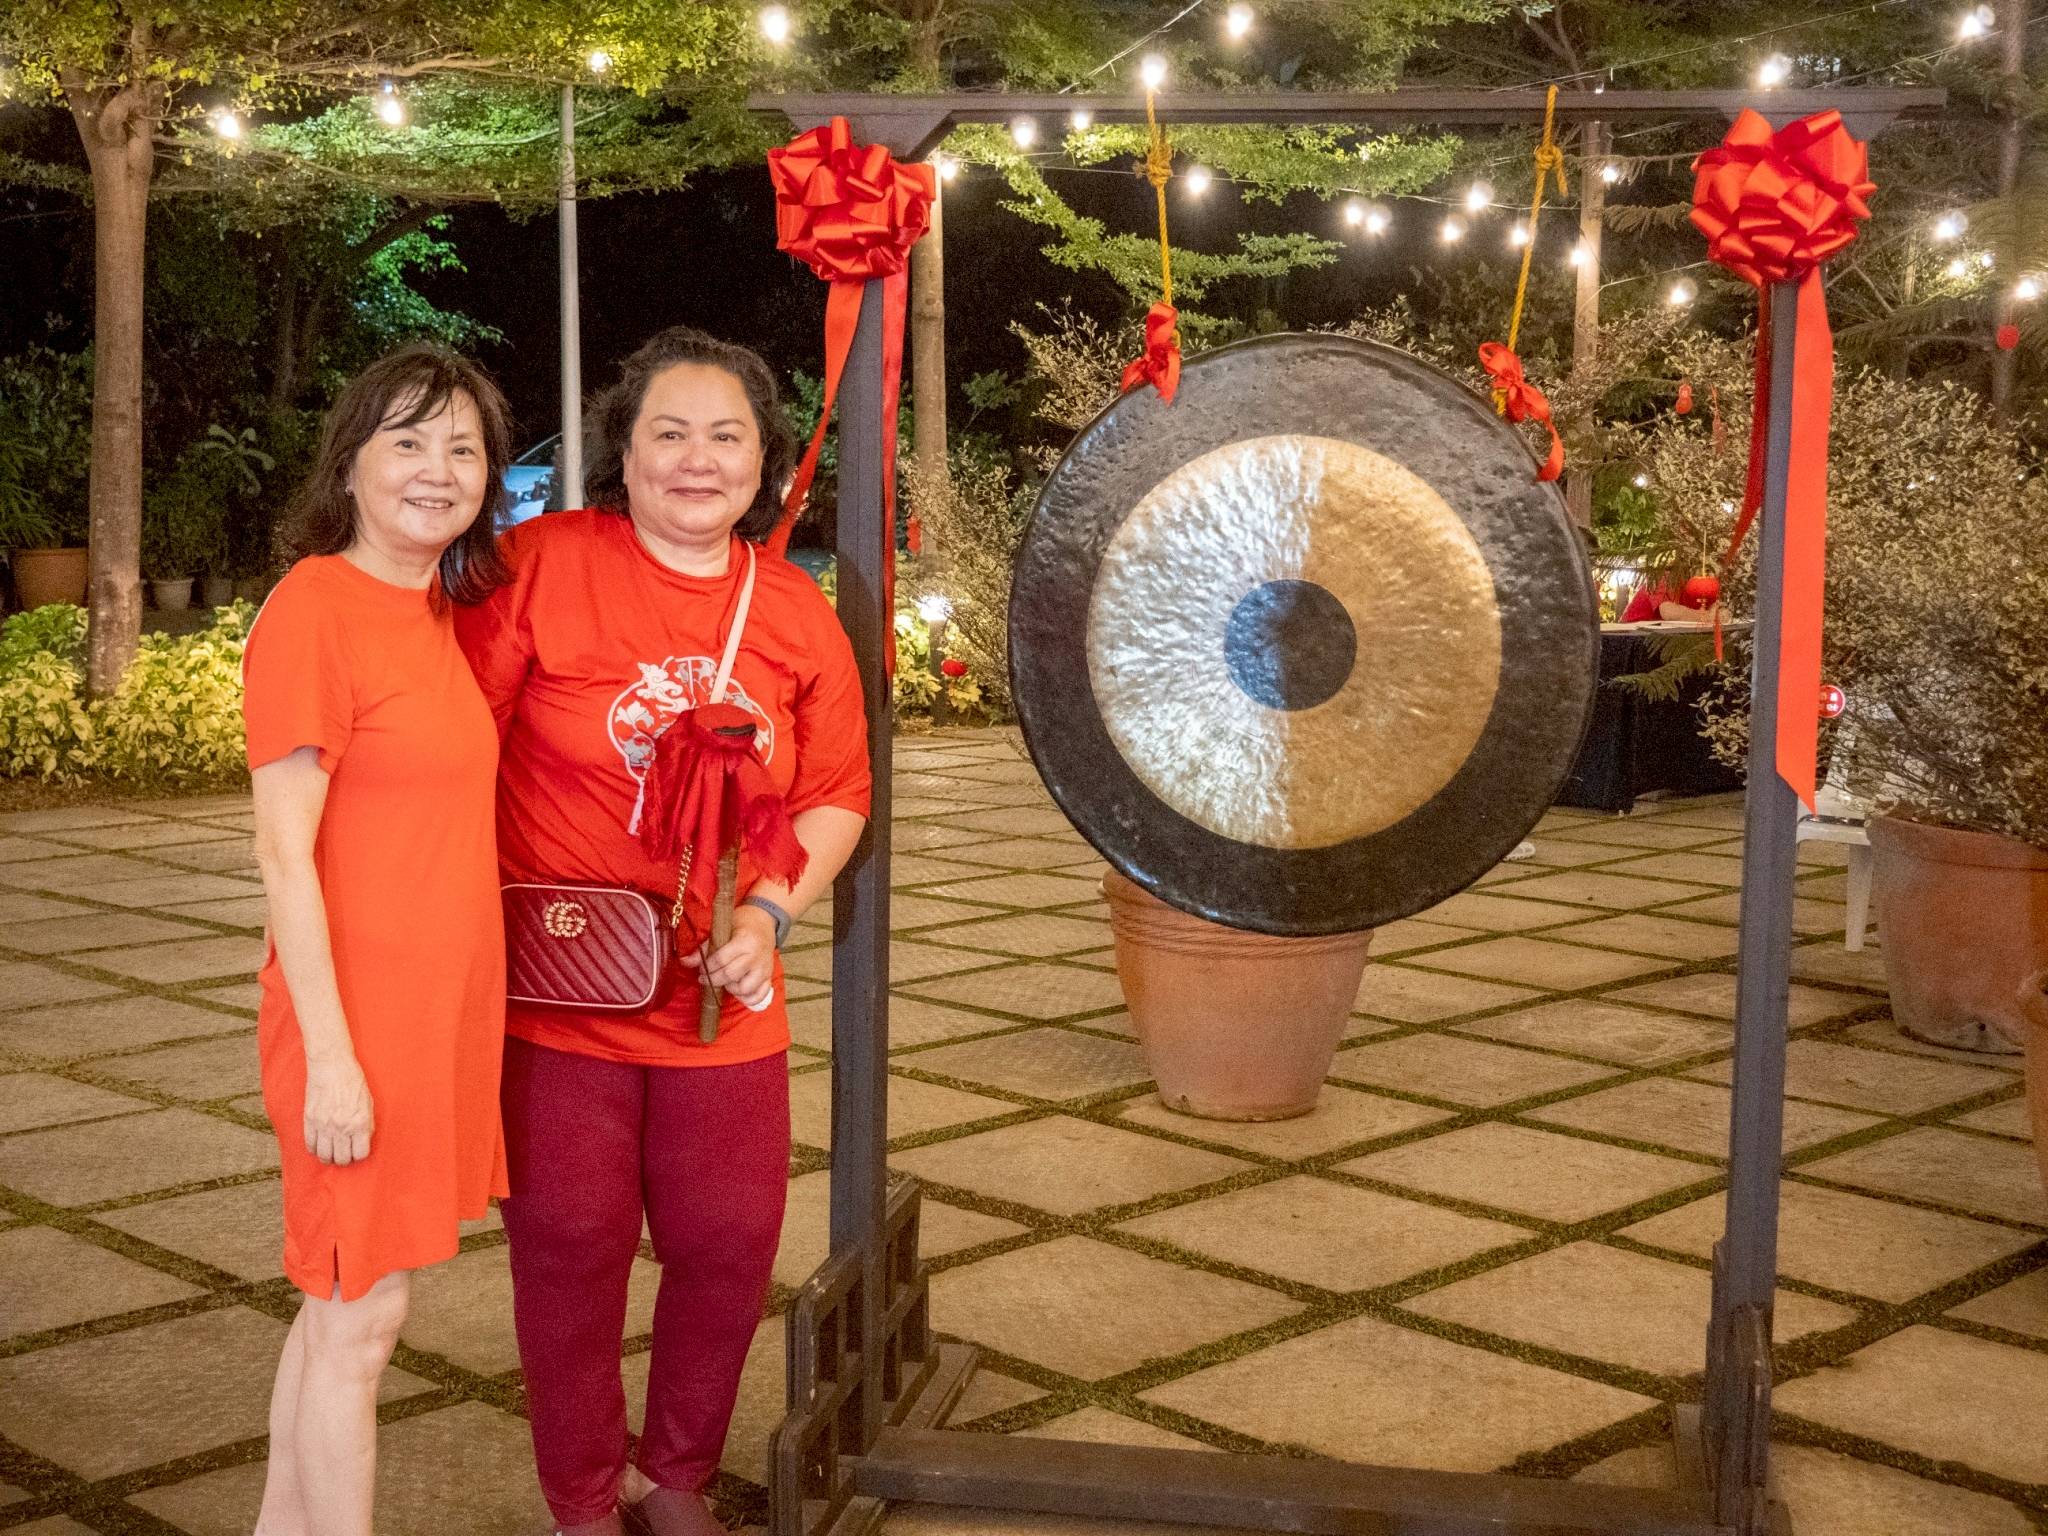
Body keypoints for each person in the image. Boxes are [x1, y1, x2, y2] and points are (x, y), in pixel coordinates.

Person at [455, 327, 870, 1536]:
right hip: (563, 991)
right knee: (571, 1249)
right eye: (667, 433)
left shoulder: (791, 610)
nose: (697, 459)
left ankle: (670, 1473)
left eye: (725, 435)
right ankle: (583, 1493)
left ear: (764, 462)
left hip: (717, 993)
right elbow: (450, 740)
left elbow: (836, 789)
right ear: (621, 455)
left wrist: (771, 910)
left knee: (729, 1241)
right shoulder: (541, 567)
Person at [244, 344, 515, 1536]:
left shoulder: (437, 616)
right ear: (349, 462)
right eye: (406, 441)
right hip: (353, 1025)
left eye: (462, 448)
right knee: (363, 1323)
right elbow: (280, 854)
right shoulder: (317, 608)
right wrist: (336, 1059)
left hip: (429, 1021)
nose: (436, 469)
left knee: (339, 1312)